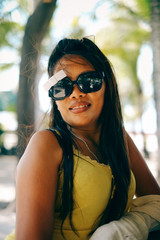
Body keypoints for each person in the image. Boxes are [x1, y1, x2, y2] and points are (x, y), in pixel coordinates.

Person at [5, 37, 160, 240]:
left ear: (107, 85)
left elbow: (155, 200)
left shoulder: (118, 138)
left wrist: (118, 231)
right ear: (54, 98)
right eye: (62, 87)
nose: (76, 93)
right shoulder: (47, 144)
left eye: (89, 81)